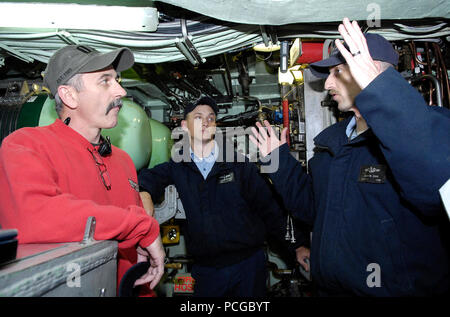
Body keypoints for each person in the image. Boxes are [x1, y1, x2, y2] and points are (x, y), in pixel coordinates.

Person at [250, 18, 449, 296]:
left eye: (338, 71)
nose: (328, 82)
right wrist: (278, 161)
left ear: (371, 71)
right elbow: (314, 209)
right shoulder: (333, 143)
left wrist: (382, 92)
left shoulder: (429, 131)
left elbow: (434, 188)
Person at [0, 45, 165, 296]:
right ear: (69, 96)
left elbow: (131, 255)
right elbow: (35, 217)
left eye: (117, 80)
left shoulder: (123, 161)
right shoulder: (26, 145)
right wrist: (140, 226)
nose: (121, 90)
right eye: (105, 81)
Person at [138, 96, 310, 297]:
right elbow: (148, 178)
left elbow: (270, 208)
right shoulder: (177, 167)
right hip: (207, 270)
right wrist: (144, 192)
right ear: (184, 126)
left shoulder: (238, 164)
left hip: (248, 266)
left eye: (211, 118)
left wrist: (297, 245)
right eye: (198, 117)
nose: (206, 122)